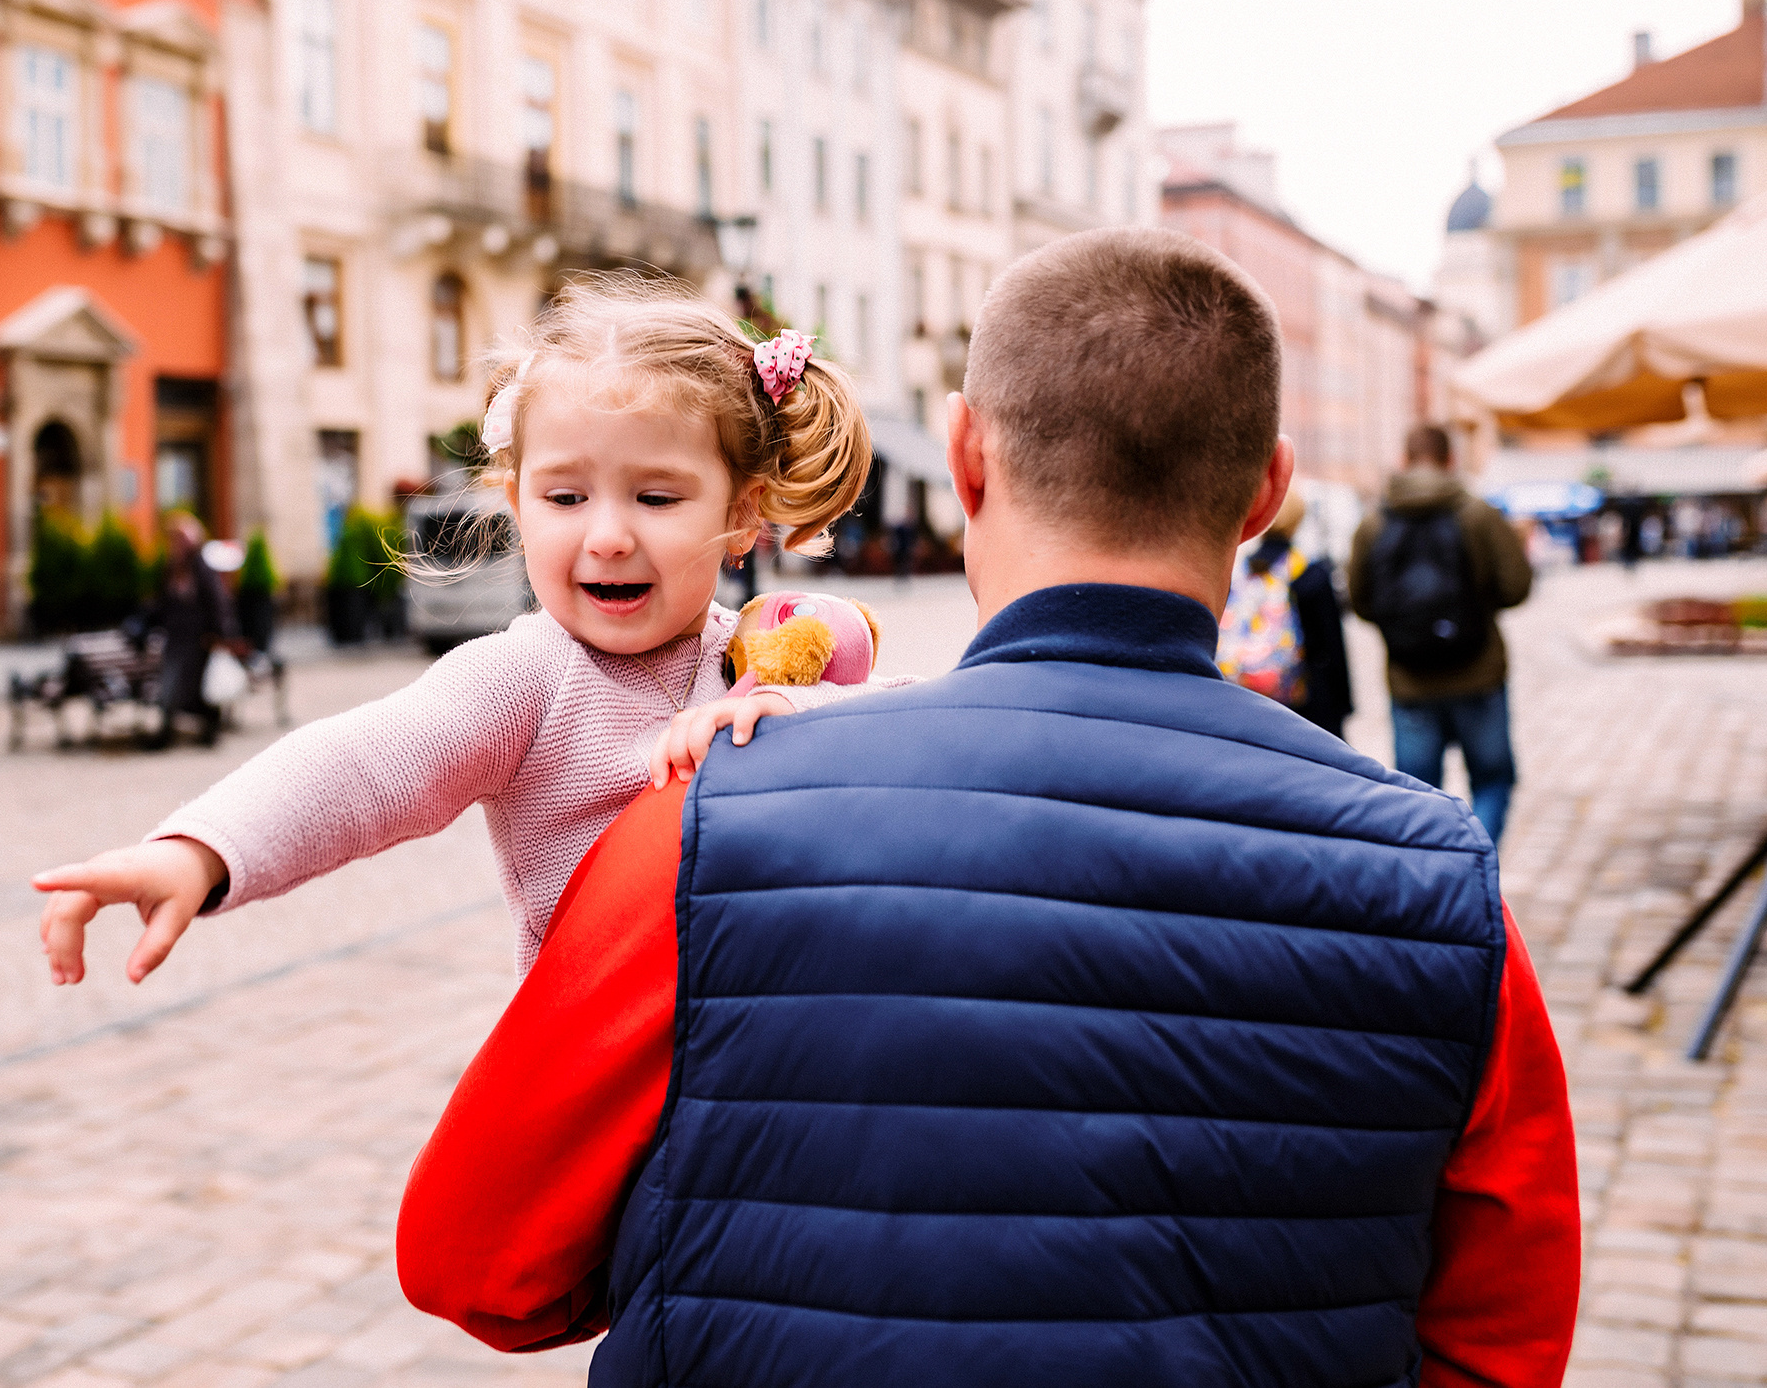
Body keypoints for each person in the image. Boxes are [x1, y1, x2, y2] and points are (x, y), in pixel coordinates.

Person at [398, 230, 1580, 1387]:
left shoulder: (710, 820)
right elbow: (1502, 1338)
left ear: (965, 456)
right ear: (1267, 490)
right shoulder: (1439, 883)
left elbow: (472, 1261)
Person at [31, 279, 910, 986]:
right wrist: (200, 852)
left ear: (742, 511)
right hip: (608, 1105)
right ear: (516, 501)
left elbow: (926, 747)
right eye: (565, 497)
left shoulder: (766, 653)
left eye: (655, 497)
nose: (606, 534)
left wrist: (798, 712)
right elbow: (365, 761)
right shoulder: (528, 679)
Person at [1350, 426, 1533, 844]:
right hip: (1479, 675)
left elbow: (1361, 602)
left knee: (1417, 795)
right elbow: (1517, 586)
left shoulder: (1374, 522)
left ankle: (1433, 884)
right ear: (1451, 460)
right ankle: (1475, 872)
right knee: (1492, 781)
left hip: (1410, 680)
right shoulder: (1479, 515)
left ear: (1405, 459)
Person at [1216, 488, 1353, 738]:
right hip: (1306, 704)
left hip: (1249, 699)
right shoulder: (1310, 573)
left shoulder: (1244, 571)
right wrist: (1343, 706)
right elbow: (1332, 645)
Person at [143, 512, 234, 750]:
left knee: (197, 687)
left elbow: (217, 602)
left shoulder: (201, 567)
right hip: (176, 638)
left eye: (181, 539)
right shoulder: (172, 568)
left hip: (198, 639)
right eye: (174, 539)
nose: (176, 544)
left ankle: (207, 728)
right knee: (171, 684)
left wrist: (218, 633)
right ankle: (166, 733)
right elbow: (162, 603)